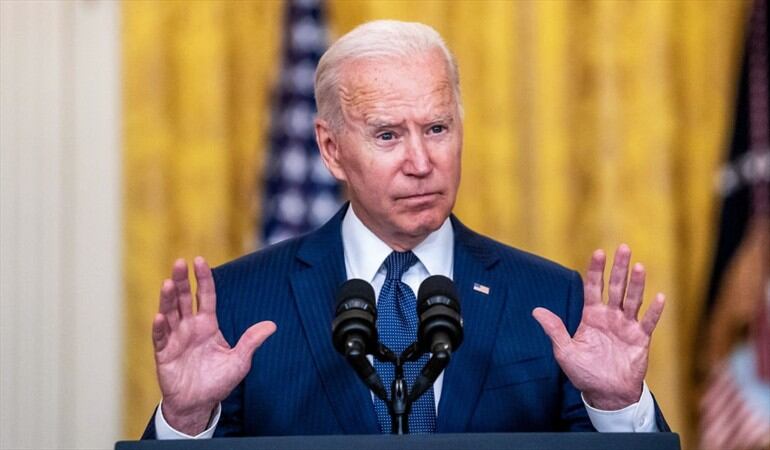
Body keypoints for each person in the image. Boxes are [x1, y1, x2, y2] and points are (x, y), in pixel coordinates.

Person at [143, 20, 669, 439]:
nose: (421, 162)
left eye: (437, 128)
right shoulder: (241, 303)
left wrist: (617, 407)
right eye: (388, 135)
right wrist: (187, 421)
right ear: (331, 149)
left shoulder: (553, 300)